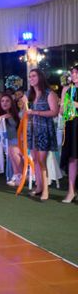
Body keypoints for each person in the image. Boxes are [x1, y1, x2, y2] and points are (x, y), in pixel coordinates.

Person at [26, 68, 59, 201]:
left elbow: (54, 112)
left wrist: (35, 113)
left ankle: (46, 190)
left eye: (33, 76)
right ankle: (39, 186)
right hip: (32, 130)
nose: (31, 78)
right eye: (30, 76)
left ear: (40, 77)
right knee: (35, 160)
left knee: (41, 160)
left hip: (44, 129)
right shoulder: (30, 94)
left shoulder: (48, 93)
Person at [0, 94, 23, 187]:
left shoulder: (15, 113)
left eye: (7, 101)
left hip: (19, 139)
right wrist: (1, 117)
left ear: (11, 102)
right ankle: (20, 174)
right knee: (13, 148)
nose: (4, 103)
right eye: (2, 101)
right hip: (7, 141)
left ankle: (20, 175)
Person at [60, 65, 78, 203]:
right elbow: (62, 111)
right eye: (72, 72)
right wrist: (64, 106)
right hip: (72, 125)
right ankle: (71, 191)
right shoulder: (68, 90)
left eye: (76, 72)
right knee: (72, 158)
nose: (74, 74)